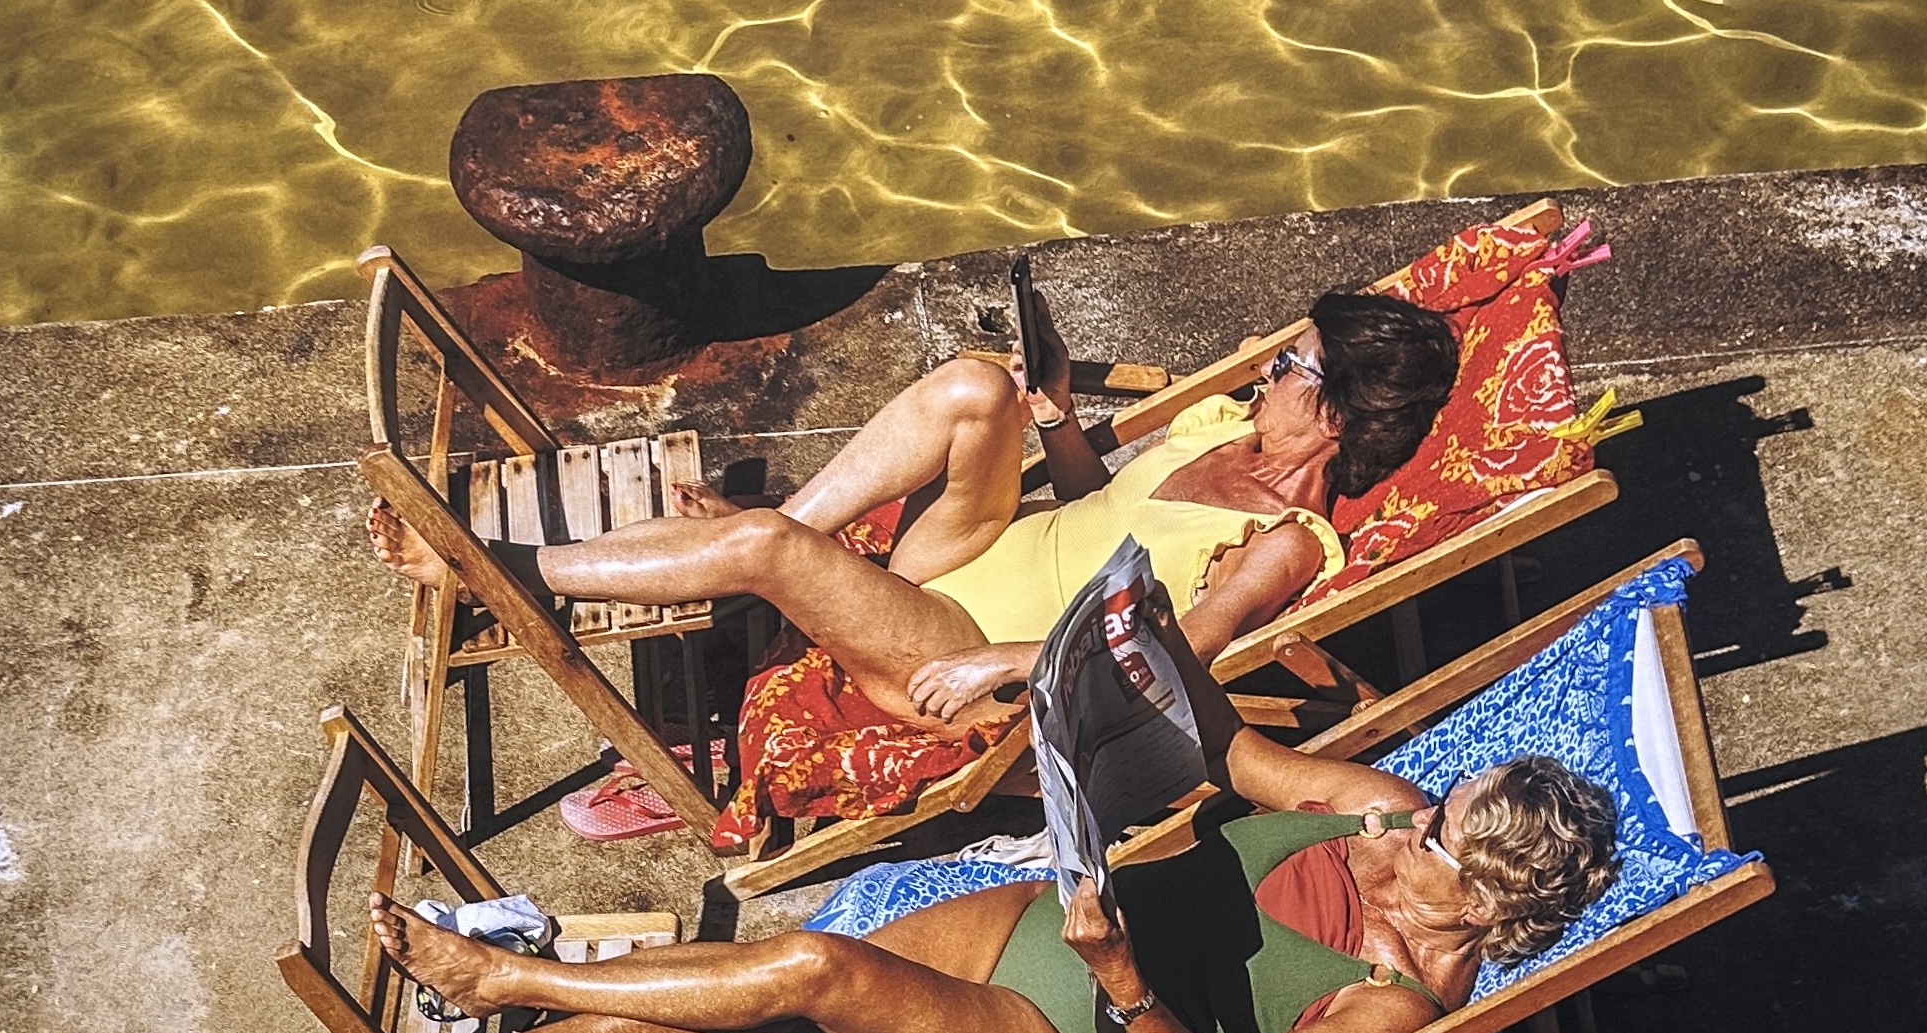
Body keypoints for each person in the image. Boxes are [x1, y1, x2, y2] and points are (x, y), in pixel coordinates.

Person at [361, 721, 1621, 1033]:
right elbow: (1227, 744)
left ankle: (505, 975)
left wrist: (1122, 976)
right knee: (785, 1031)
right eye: (1433, 809)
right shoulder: (1382, 805)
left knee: (814, 968)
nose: (1408, 822)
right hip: (1048, 926)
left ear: (1479, 904)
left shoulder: (1396, 1003)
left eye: (1434, 840)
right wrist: (1113, 662)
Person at [363, 275, 1463, 749]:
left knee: (761, 544)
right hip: (969, 553)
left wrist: (1010, 662)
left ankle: (497, 567)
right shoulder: (1227, 427)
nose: (1266, 370)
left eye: (1291, 366)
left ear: (1337, 413)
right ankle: (777, 539)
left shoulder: (1284, 544)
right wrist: (1055, 418)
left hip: (962, 644)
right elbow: (1097, 508)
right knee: (979, 386)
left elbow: (1180, 655)